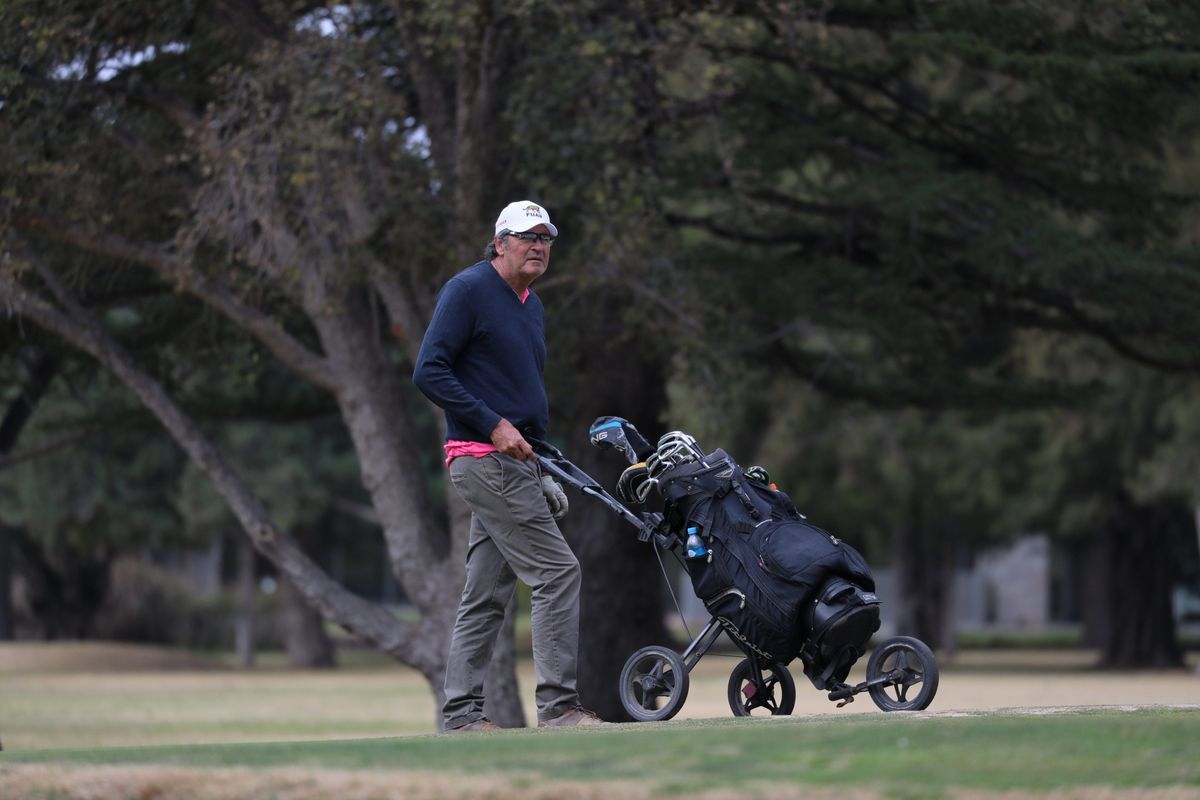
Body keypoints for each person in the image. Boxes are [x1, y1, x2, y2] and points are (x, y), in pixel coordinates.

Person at [412, 200, 602, 732]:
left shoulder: (530, 305)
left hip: (515, 463)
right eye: (527, 237)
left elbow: (522, 399)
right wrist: (491, 423)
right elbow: (429, 371)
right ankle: (560, 709)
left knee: (486, 595)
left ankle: (460, 717)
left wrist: (541, 468)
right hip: (484, 458)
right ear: (500, 243)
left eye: (546, 238)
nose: (538, 245)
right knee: (557, 573)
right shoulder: (468, 290)